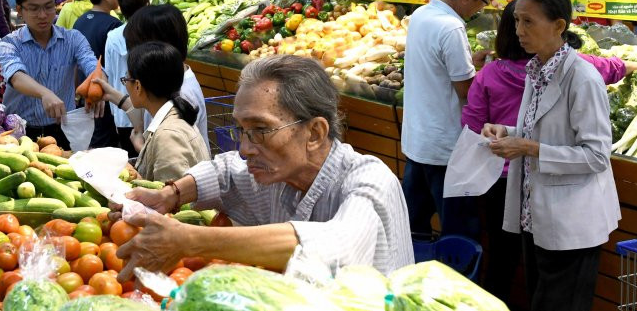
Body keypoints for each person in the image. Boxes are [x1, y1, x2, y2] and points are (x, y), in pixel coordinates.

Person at [111, 55, 413, 278]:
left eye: (260, 131)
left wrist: (189, 240)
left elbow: (337, 246)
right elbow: (226, 172)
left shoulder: (370, 182)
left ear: (315, 133)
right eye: (241, 130)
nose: (244, 148)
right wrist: (171, 194)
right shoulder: (279, 174)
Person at [462, 0, 637, 303]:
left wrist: (527, 147)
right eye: (517, 21)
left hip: (571, 219)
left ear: (559, 26)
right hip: (536, 216)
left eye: (528, 22)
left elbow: (596, 155)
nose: (518, 30)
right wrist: (507, 131)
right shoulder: (537, 70)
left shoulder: (583, 78)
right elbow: (543, 131)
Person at [401, 0, 496, 239]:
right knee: (458, 231)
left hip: (418, 140)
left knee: (413, 228)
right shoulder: (452, 28)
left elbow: (437, 69)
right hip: (445, 148)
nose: (484, 5)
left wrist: (470, 63)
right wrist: (491, 74)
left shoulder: (421, 15)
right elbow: (464, 91)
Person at [0, 0, 99, 148]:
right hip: (18, 132)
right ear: (20, 10)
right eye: (34, 8)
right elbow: (16, 76)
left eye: (48, 7)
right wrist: (45, 93)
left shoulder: (73, 39)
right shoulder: (9, 43)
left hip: (62, 128)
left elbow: (91, 64)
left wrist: (99, 84)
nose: (43, 15)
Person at [96, 5, 209, 150]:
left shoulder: (183, 94)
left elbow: (174, 157)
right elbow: (150, 110)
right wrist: (112, 95)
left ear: (156, 50)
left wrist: (141, 148)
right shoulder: (167, 79)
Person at [116, 41, 210, 181]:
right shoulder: (176, 116)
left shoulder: (168, 136)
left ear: (138, 86)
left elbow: (170, 197)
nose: (126, 85)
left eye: (126, 79)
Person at [73, 0, 124, 148]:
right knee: (105, 141)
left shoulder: (80, 21)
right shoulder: (114, 25)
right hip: (102, 93)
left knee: (92, 138)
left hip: (84, 88)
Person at [103, 0, 151, 157]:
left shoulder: (113, 36)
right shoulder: (150, 34)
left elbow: (108, 72)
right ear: (147, 5)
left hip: (121, 110)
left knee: (130, 161)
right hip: (146, 110)